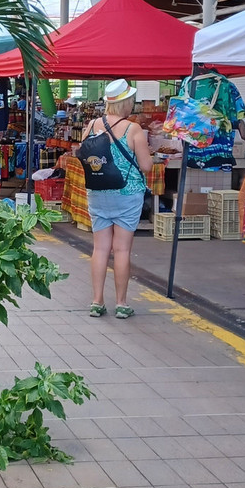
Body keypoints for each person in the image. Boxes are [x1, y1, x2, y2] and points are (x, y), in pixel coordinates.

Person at [81, 80, 153, 320]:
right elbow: (146, 166)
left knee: (100, 248)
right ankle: (121, 304)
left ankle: (96, 301)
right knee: (121, 250)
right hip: (126, 195)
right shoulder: (133, 130)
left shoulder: (90, 126)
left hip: (98, 193)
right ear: (126, 102)